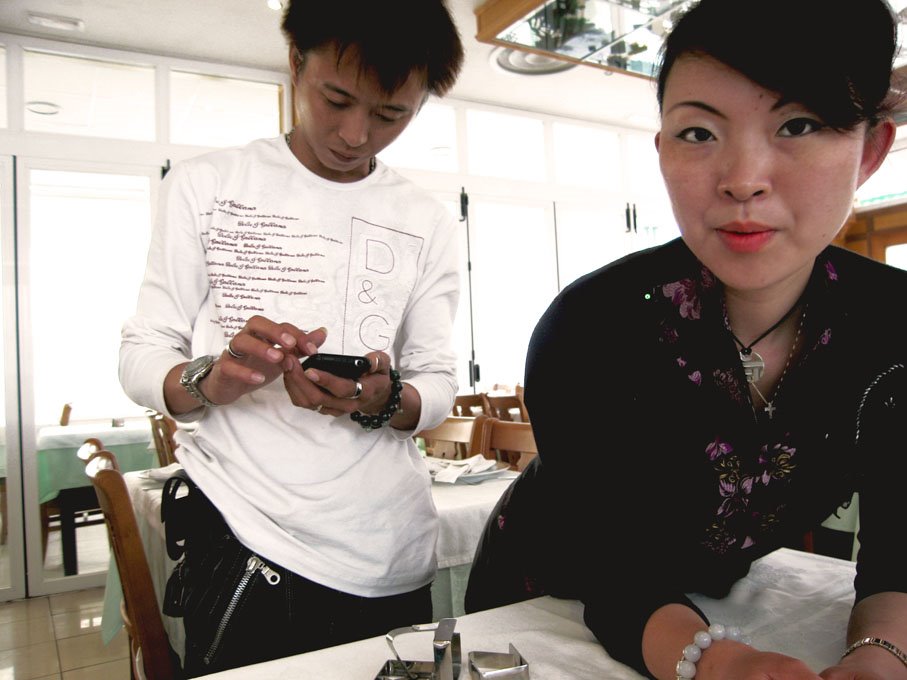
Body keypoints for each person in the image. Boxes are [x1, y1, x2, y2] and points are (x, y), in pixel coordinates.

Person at [465, 0, 907, 679]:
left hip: (717, 598)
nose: (741, 179)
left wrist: (879, 659)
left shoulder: (892, 327)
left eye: (797, 124)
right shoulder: (590, 327)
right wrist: (722, 665)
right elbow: (612, 569)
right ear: (663, 149)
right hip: (540, 608)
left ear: (871, 149)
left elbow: (897, 551)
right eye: (698, 133)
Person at [119, 0, 464, 674]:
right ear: (295, 62)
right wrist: (209, 380)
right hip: (247, 539)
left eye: (391, 114)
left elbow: (440, 381)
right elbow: (142, 350)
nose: (355, 134)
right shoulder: (208, 185)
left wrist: (379, 400)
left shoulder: (425, 218)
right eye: (335, 98)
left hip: (392, 551)